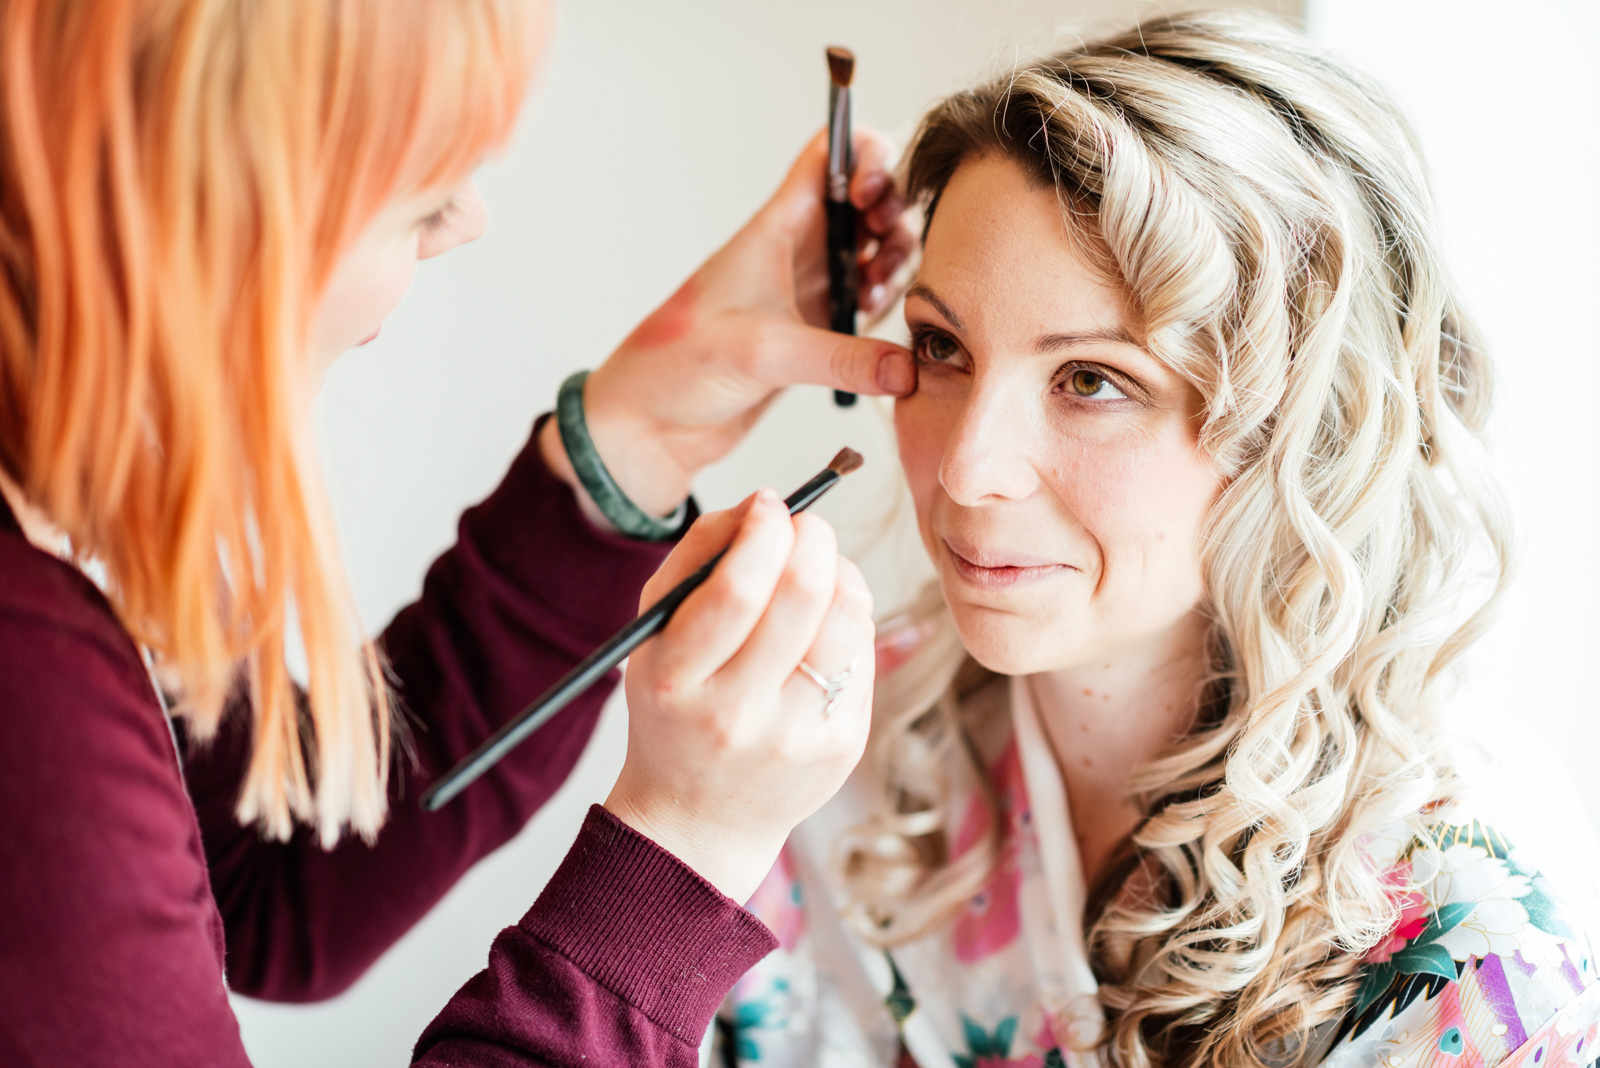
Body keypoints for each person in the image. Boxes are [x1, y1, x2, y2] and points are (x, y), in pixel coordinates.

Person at [0, 1, 916, 1065]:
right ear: (191, 193)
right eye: (420, 182)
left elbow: (265, 873)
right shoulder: (27, 677)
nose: (464, 219)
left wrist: (634, 440)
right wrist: (685, 853)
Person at [718, 11, 1600, 1068]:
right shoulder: (818, 751)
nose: (963, 469)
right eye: (940, 345)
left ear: (1300, 433)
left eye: (1091, 380)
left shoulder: (1475, 950)